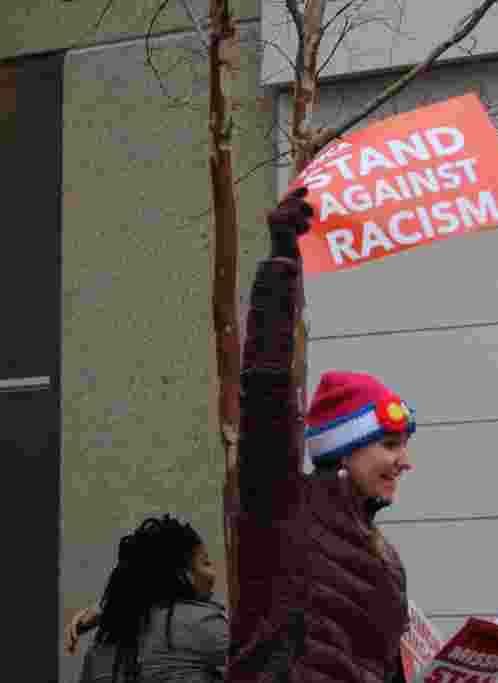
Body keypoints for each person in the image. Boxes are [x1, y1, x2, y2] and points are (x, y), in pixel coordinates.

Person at [226, 188, 415, 683]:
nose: (405, 461)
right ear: (343, 450)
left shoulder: (385, 556)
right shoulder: (281, 507)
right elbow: (266, 387)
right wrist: (283, 261)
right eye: (390, 444)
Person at [75, 514, 227, 682]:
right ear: (182, 573)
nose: (213, 574)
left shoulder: (99, 648)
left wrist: (104, 608)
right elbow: (255, 653)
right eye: (205, 563)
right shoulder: (202, 623)